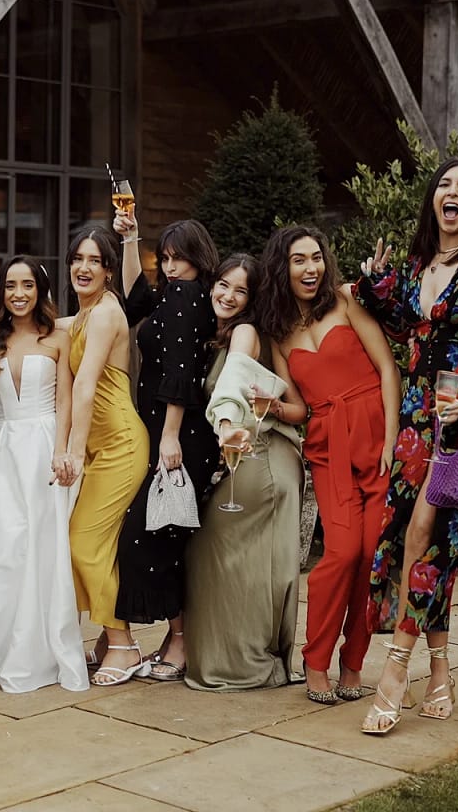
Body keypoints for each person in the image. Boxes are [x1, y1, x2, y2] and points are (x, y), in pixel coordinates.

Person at [354, 158, 458, 734]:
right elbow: (403, 324)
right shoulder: (420, 263)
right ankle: (440, 670)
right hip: (419, 417)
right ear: (433, 199)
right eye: (445, 183)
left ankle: (395, 670)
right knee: (413, 540)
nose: (453, 191)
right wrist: (378, 282)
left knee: (427, 532)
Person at [255, 226, 400, 704]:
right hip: (329, 449)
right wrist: (273, 406)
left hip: (376, 438)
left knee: (372, 556)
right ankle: (315, 661)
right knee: (341, 554)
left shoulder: (347, 299)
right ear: (282, 268)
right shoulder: (279, 334)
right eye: (299, 260)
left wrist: (392, 439)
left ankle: (353, 663)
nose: (311, 268)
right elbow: (299, 408)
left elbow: (387, 368)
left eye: (316, 257)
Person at [0, 257, 87, 694]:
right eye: (10, 285)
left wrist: (62, 451)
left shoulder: (58, 338)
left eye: (27, 285)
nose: (18, 294)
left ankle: (36, 647)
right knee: (1, 547)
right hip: (2, 451)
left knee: (40, 547)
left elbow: (65, 401)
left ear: (39, 290)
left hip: (44, 448)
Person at [109, 215, 220, 682]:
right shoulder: (175, 295)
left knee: (148, 536)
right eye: (167, 258)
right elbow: (134, 298)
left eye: (180, 259)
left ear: (199, 259)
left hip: (180, 436)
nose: (171, 267)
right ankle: (176, 636)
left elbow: (181, 371)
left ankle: (180, 639)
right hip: (168, 432)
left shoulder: (186, 297)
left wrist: (169, 436)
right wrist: (130, 238)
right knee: (163, 535)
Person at [190, 254, 303, 691]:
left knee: (224, 553)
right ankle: (245, 660)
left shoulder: (246, 332)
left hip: (261, 457)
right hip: (252, 455)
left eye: (241, 290)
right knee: (237, 559)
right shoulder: (222, 333)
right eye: (223, 284)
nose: (228, 295)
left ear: (253, 299)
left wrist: (226, 424)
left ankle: (247, 665)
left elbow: (241, 385)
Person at [60, 229, 150, 687]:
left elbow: (85, 384)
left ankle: (124, 644)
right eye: (78, 258)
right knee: (99, 545)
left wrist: (73, 452)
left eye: (94, 260)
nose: (84, 267)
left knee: (83, 542)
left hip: (120, 445)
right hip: (102, 447)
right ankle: (108, 636)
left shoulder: (105, 313)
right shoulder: (83, 314)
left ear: (109, 270)